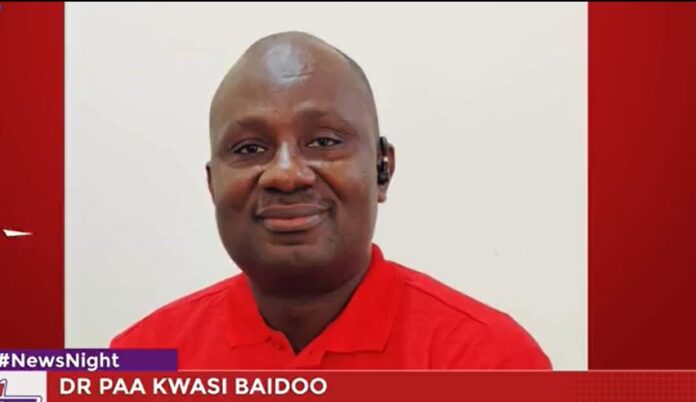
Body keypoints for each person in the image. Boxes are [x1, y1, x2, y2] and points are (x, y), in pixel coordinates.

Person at [111, 31, 551, 370]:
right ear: (212, 185)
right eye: (250, 148)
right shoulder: (141, 360)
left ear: (382, 169)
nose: (286, 174)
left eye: (324, 141)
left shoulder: (489, 362)